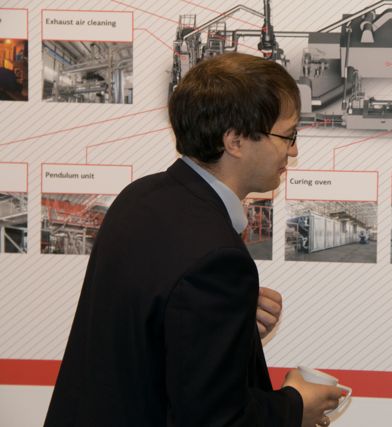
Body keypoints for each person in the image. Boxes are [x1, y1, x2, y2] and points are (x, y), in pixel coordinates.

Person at [44, 52, 342, 427]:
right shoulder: (216, 258)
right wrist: (296, 407)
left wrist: (230, 324)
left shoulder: (140, 197)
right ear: (235, 140)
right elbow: (215, 420)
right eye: (288, 135)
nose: (293, 150)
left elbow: (152, 338)